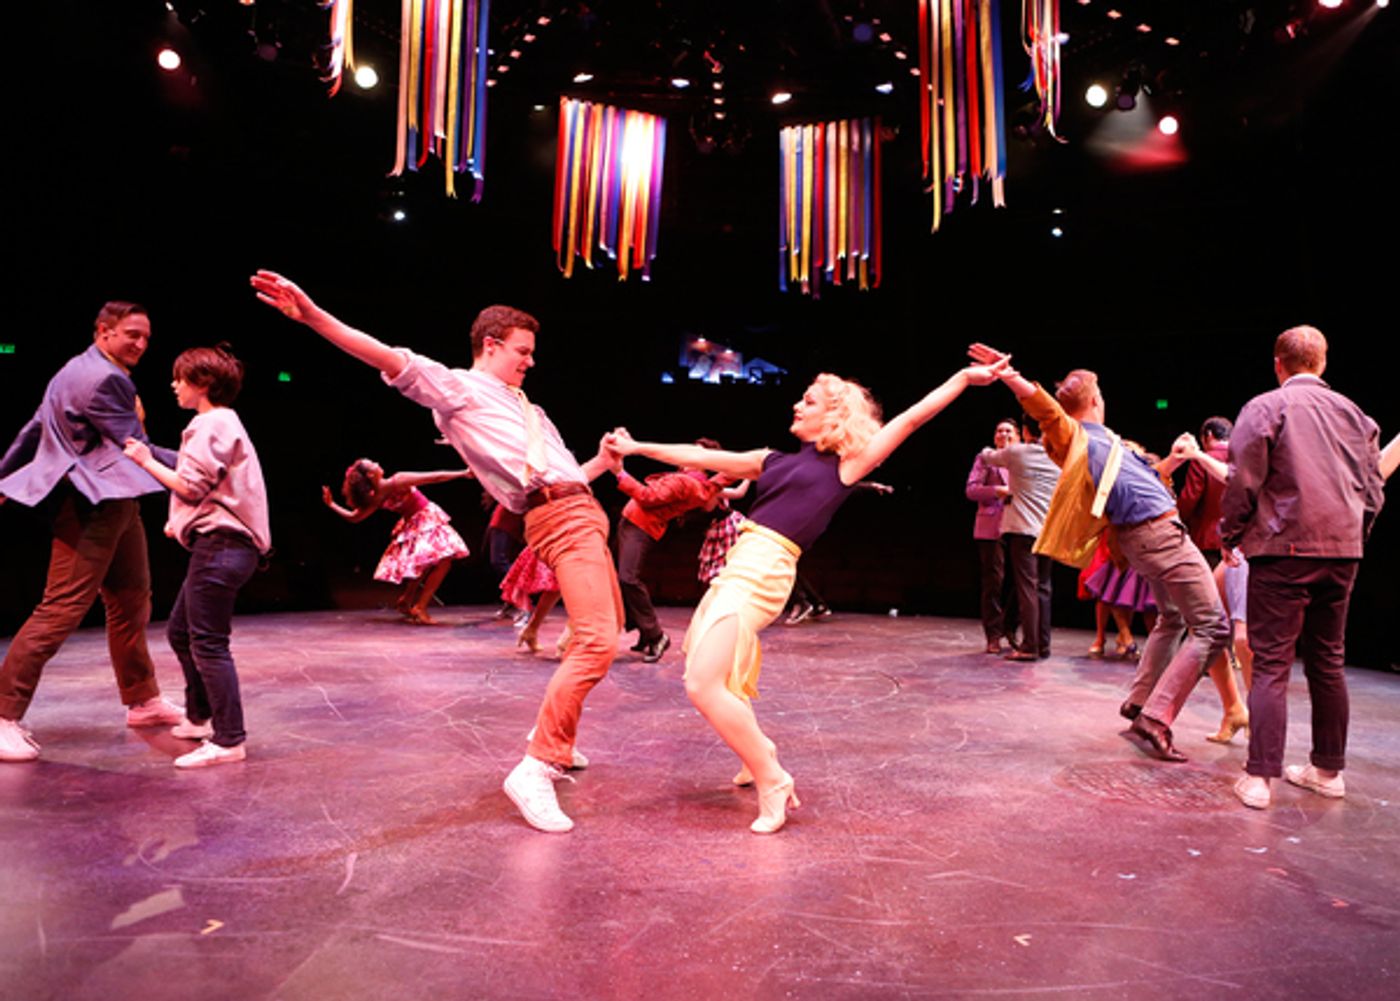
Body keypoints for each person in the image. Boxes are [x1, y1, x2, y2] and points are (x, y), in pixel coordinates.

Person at [251, 270, 619, 834]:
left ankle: (557, 742)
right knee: (595, 641)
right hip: (561, 518)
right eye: (522, 350)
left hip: (581, 507)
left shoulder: (525, 408)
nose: (530, 361)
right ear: (490, 346)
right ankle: (538, 765)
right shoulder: (459, 388)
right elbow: (386, 356)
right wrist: (314, 314)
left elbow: (565, 474)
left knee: (602, 635)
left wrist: (601, 462)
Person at [604, 359, 1006, 833]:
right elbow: (700, 455)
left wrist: (961, 378)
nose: (796, 404)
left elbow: (912, 417)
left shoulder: (846, 465)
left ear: (834, 417)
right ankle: (761, 756)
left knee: (701, 682)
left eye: (809, 400)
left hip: (765, 571)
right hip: (738, 565)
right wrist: (633, 448)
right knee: (714, 675)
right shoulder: (772, 460)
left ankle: (772, 776)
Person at [968, 343, 1230, 763]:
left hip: (1151, 532)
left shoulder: (1106, 440)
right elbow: (1047, 412)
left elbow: (1138, 478)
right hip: (1157, 534)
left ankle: (1140, 702)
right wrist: (1011, 377)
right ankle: (1157, 717)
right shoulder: (1073, 436)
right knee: (1213, 627)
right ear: (1094, 400)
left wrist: (1176, 461)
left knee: (1173, 617)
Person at [0, 301, 185, 762]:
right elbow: (134, 447)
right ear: (103, 331)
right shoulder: (108, 379)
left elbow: (36, 425)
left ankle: (142, 699)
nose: (141, 344)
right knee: (60, 609)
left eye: (146, 337)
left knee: (130, 600)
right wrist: (200, 465)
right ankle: (3, 715)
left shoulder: (72, 369)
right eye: (131, 335)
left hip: (117, 499)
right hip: (90, 503)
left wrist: (3, 473)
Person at [1220, 326, 1384, 809]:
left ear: (1278, 363)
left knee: (1271, 664)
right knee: (1328, 661)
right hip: (1342, 550)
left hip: (1283, 549)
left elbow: (1243, 477)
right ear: (1323, 363)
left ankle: (1260, 779)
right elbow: (1373, 490)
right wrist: (1354, 534)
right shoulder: (1358, 415)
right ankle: (1328, 771)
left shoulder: (1267, 406)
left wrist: (1231, 534)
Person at [122, 344, 271, 768]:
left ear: (202, 383)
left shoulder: (211, 424)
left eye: (179, 378)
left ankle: (229, 739)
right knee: (181, 633)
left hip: (223, 547)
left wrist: (145, 460)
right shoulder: (219, 424)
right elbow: (207, 483)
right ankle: (201, 716)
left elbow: (190, 487)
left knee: (207, 643)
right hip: (220, 545)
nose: (173, 385)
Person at [611, 440, 725, 662]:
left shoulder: (686, 482)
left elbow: (647, 497)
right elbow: (722, 479)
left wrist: (619, 473)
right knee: (621, 578)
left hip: (639, 527)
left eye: (696, 453)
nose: (687, 454)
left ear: (704, 462)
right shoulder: (697, 482)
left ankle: (656, 636)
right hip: (633, 523)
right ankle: (645, 633)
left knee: (628, 578)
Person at [322, 459, 473, 624]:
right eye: (372, 463)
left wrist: (331, 505)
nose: (377, 462)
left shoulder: (376, 496)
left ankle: (406, 601)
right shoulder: (398, 481)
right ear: (371, 474)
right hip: (424, 520)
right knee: (444, 560)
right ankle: (420, 607)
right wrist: (463, 473)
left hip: (414, 524)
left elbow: (354, 517)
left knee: (424, 563)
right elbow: (434, 477)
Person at [979, 416, 1060, 661]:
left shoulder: (1017, 452)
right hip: (1048, 530)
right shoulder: (1057, 457)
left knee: (1027, 587)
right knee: (1043, 587)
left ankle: (1030, 646)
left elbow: (987, 457)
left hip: (1023, 529)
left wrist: (996, 444)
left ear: (1025, 431)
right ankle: (1043, 645)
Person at [965, 419, 1018, 653]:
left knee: (1021, 582)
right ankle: (993, 635)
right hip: (992, 526)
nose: (1003, 434)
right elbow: (972, 490)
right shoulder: (985, 458)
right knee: (994, 582)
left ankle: (1011, 628)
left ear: (1018, 436)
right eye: (999, 430)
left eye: (1008, 431)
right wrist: (998, 491)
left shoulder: (1022, 459)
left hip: (1019, 525)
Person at [1177, 416, 1232, 568]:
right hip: (1240, 540)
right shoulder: (1244, 457)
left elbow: (1189, 499)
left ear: (1208, 435)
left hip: (1208, 539)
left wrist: (1176, 520)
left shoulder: (1202, 460)